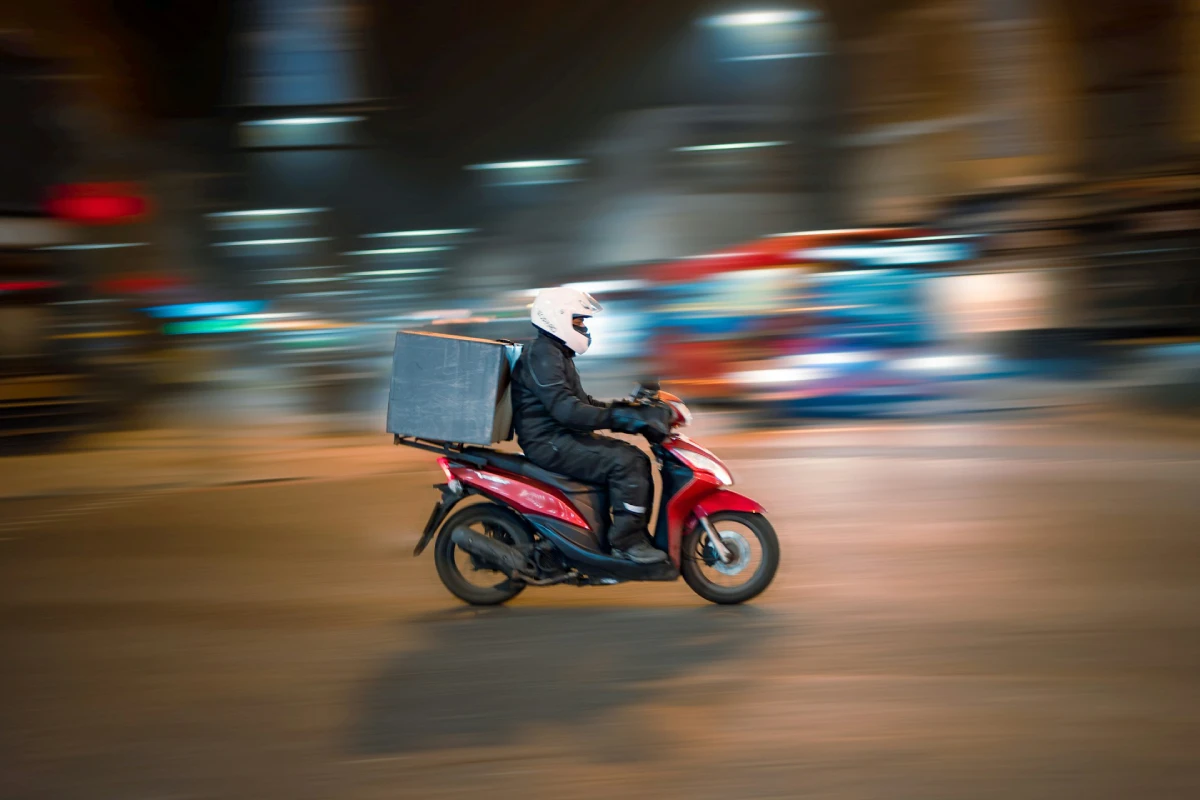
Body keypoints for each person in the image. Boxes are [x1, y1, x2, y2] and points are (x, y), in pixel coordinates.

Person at [510, 286, 672, 564]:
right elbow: (567, 411)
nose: (583, 328)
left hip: (559, 436)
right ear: (557, 317)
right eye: (578, 320)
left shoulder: (555, 353)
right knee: (628, 461)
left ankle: (613, 534)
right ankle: (626, 542)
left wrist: (627, 410)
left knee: (629, 457)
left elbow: (582, 403)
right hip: (549, 441)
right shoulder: (544, 355)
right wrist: (620, 419)